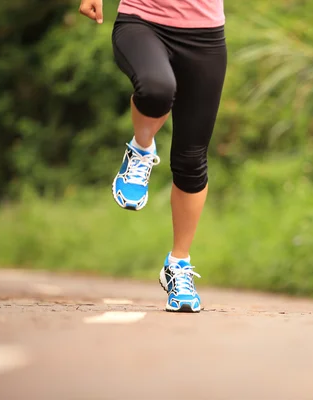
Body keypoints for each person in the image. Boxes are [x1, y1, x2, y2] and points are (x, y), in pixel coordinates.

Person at [78, 0, 227, 313]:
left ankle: (178, 266)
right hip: (143, 21)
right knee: (157, 89)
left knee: (191, 159)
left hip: (206, 36)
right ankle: (142, 148)